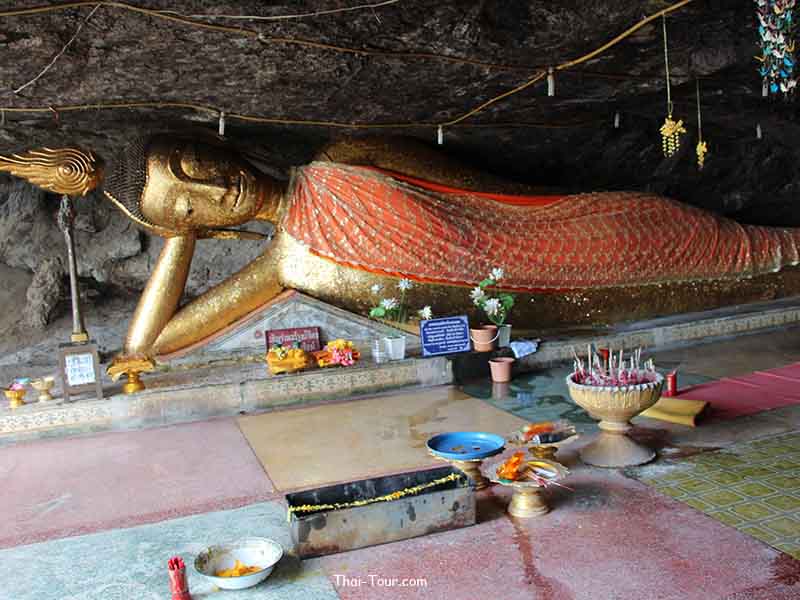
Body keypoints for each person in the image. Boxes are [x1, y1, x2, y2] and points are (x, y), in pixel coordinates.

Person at [4, 134, 800, 366]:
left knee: (735, 248)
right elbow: (146, 347)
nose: (212, 189)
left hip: (575, 233)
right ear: (199, 226)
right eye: (190, 205)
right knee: (740, 275)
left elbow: (495, 190)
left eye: (193, 167)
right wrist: (175, 241)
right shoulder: (283, 265)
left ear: (217, 147)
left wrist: (558, 221)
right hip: (521, 308)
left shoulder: (346, 156)